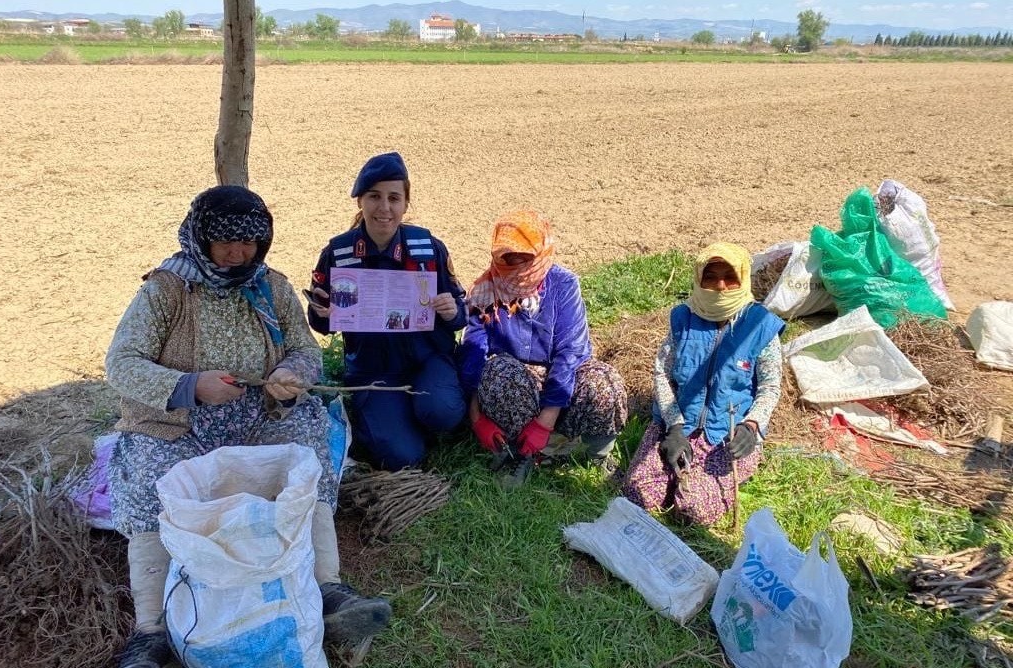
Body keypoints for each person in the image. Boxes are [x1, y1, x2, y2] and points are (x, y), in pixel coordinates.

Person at [105, 185, 391, 668]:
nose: (239, 254)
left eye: (250, 244)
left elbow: (305, 349)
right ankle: (149, 631)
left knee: (305, 451)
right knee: (153, 480)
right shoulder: (167, 290)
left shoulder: (270, 285)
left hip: (260, 416)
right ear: (200, 237)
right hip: (179, 422)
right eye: (226, 244)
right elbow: (121, 363)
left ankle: (330, 589)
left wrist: (290, 375)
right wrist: (193, 385)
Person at [308, 152, 466, 471]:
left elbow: (460, 314)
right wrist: (321, 313)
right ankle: (393, 419)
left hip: (427, 359)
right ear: (360, 202)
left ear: (405, 204)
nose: (384, 208)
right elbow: (321, 323)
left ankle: (424, 409)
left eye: (394, 198)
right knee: (403, 456)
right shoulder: (339, 252)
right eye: (374, 197)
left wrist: (451, 312)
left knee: (442, 413)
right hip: (373, 370)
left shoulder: (428, 248)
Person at [457, 210, 628, 485]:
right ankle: (522, 452)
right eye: (508, 258)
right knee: (499, 371)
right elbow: (473, 357)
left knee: (605, 383)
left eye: (525, 257)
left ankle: (595, 453)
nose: (517, 266)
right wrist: (477, 418)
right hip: (517, 389)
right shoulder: (484, 292)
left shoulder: (563, 284)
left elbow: (569, 353)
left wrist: (545, 422)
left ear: (541, 251)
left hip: (563, 382)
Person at [622, 242, 785, 525]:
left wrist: (752, 425)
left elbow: (770, 386)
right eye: (710, 276)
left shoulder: (760, 325)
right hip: (677, 427)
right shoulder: (683, 320)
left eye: (729, 276)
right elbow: (662, 373)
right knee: (637, 495)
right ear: (698, 279)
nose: (720, 285)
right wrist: (674, 427)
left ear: (742, 278)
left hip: (727, 434)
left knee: (693, 510)